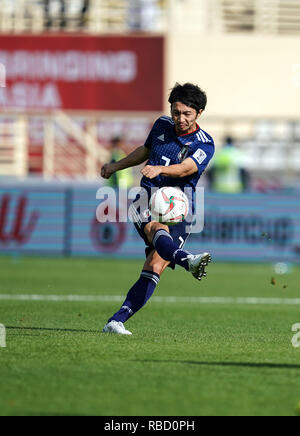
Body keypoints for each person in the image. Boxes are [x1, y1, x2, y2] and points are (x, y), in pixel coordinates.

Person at [100, 83, 215, 335]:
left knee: (155, 264)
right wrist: (115, 166)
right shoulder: (162, 124)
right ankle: (188, 262)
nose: (180, 118)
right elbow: (145, 150)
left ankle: (115, 321)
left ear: (199, 112)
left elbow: (186, 168)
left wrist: (160, 169)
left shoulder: (205, 143)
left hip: (181, 207)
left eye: (187, 114)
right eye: (176, 112)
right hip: (146, 198)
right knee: (156, 228)